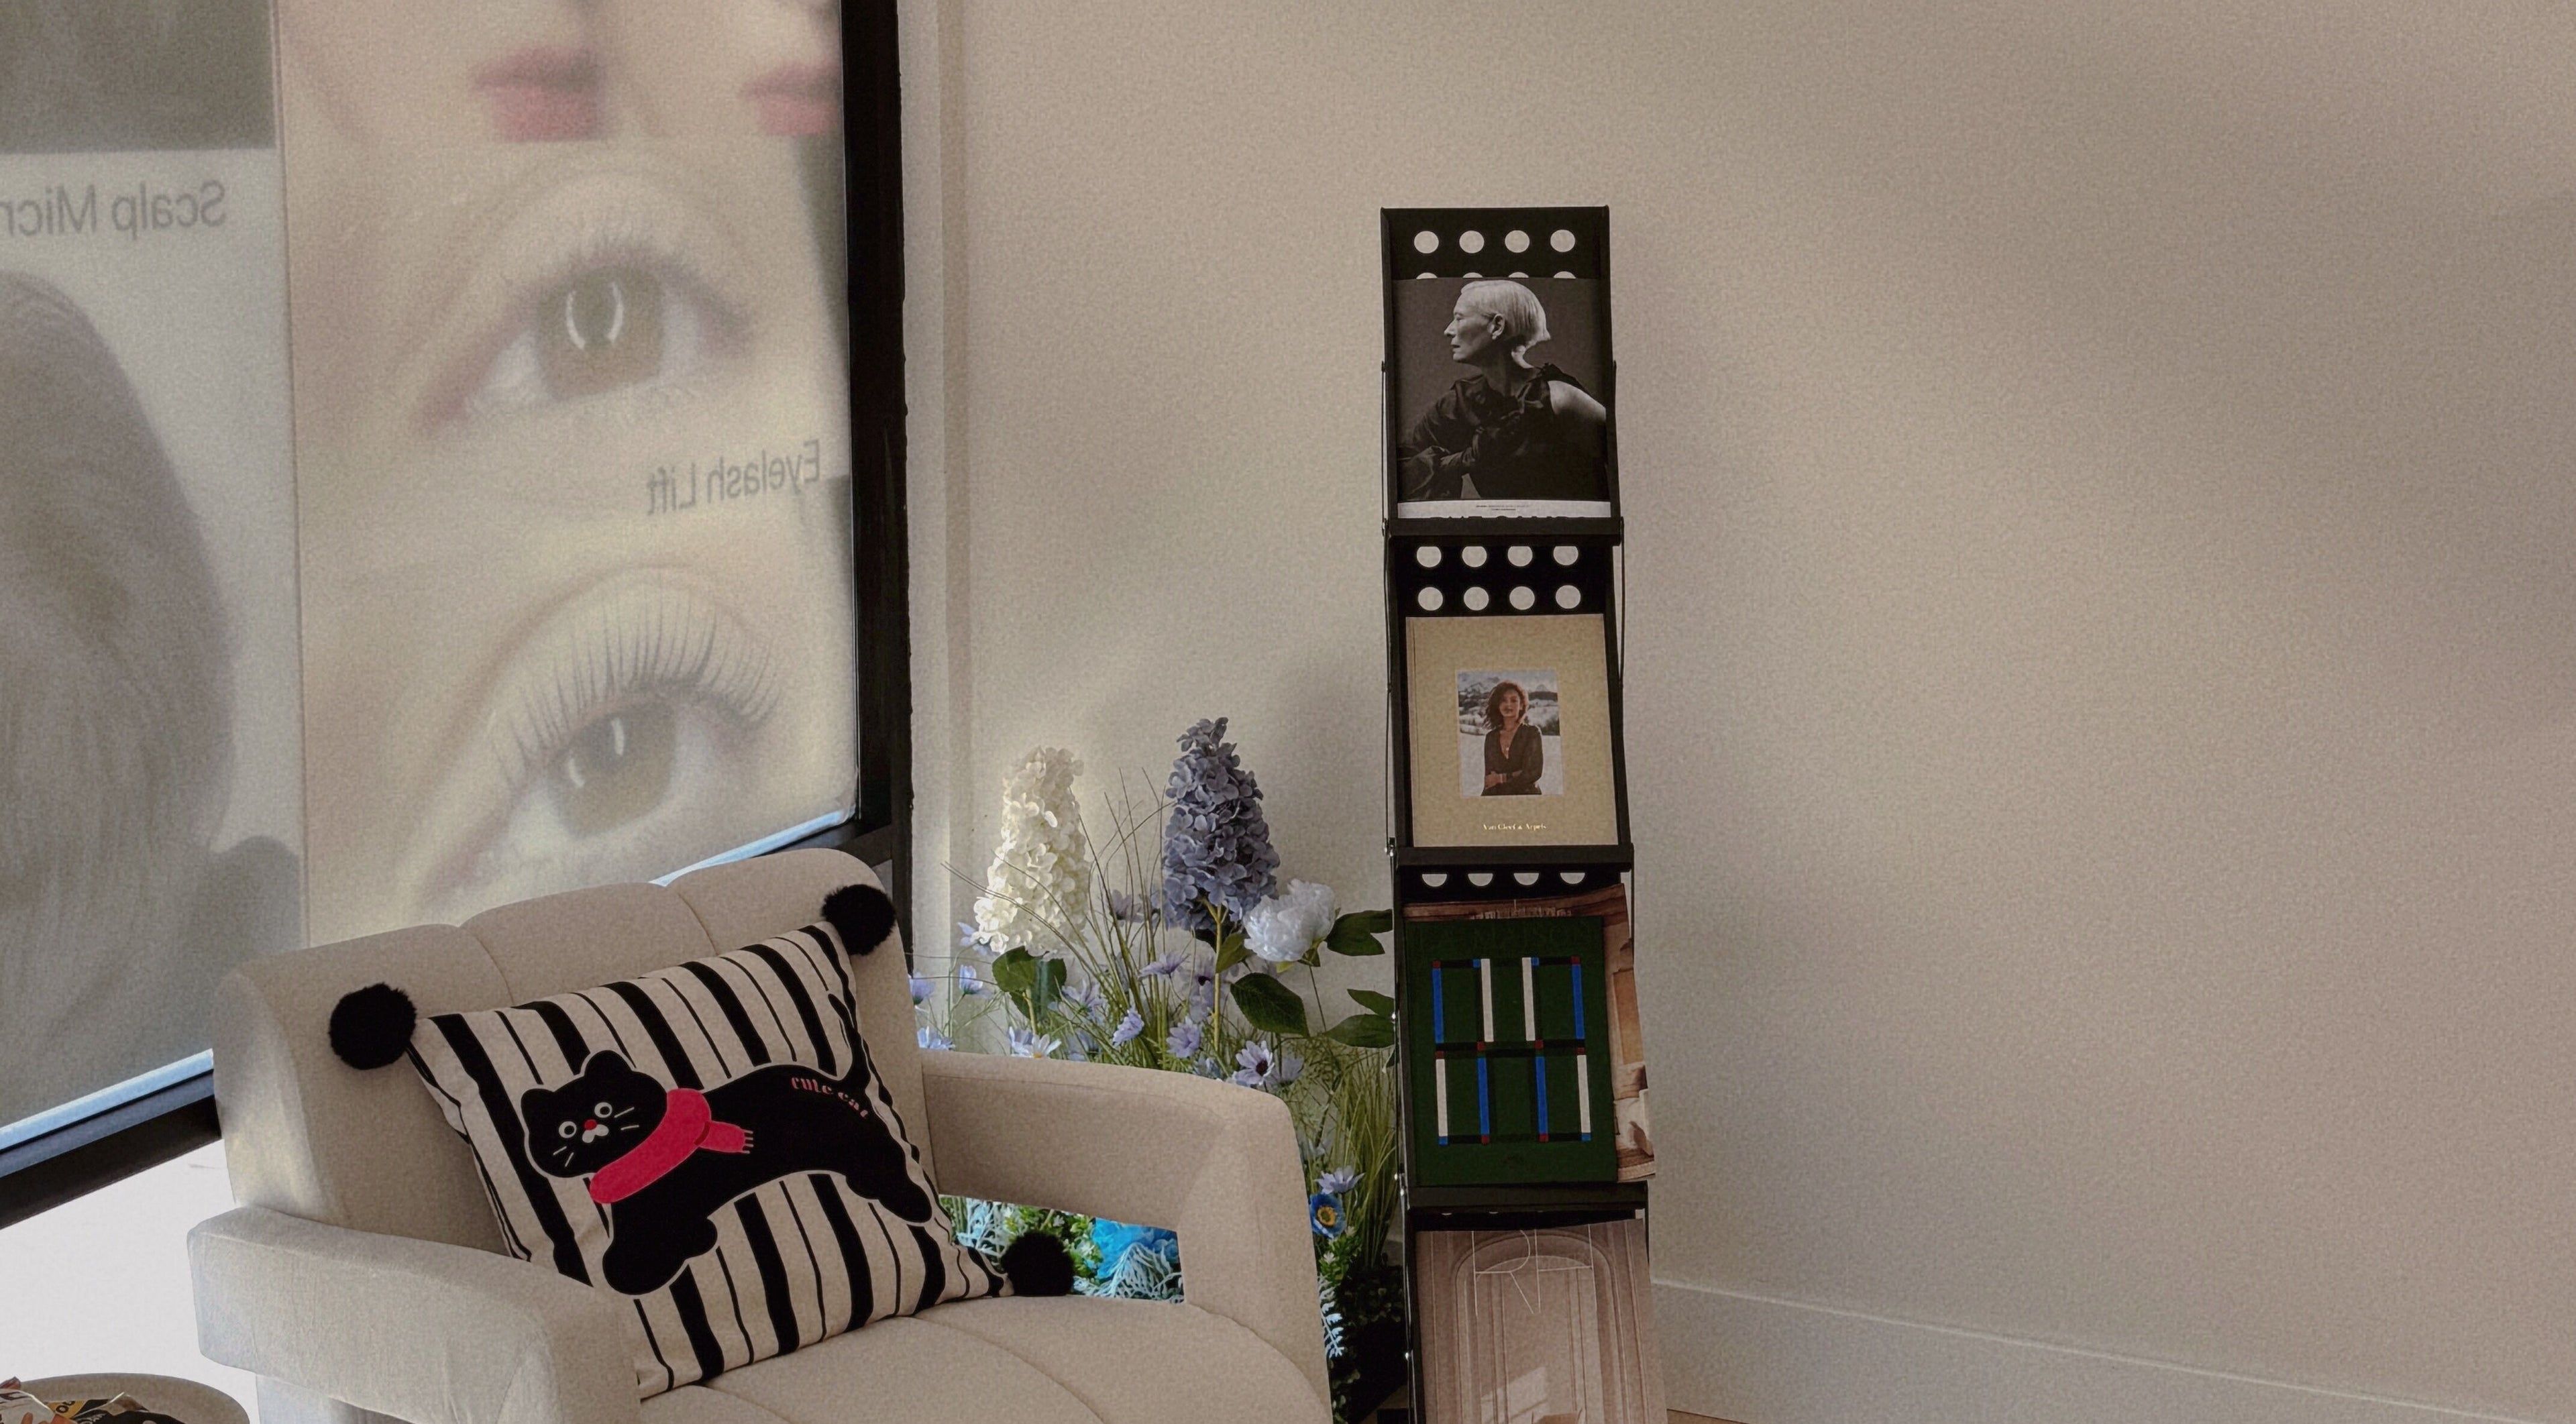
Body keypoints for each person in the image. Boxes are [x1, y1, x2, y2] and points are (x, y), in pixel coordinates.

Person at [1399, 280, 1608, 504]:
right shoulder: (1460, 403)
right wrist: (1465, 460)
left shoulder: (1560, 398)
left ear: (1497, 326)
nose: (1448, 330)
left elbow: (1629, 462)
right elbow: (1403, 470)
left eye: (1459, 319)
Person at [1481, 681, 1546, 796]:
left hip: (1528, 798)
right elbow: (1490, 779)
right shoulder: (1491, 737)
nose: (1508, 705)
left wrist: (1501, 778)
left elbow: (1533, 772)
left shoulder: (1532, 733)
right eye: (1503, 700)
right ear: (1498, 705)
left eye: (1514, 700)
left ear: (1521, 705)